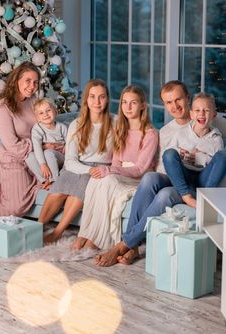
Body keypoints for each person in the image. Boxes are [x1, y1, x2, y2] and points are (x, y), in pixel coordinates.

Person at [95, 80, 226, 267]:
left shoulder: (208, 123)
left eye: (178, 99)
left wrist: (196, 158)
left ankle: (125, 244)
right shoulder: (166, 131)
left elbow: (217, 160)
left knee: (165, 195)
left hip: (193, 184)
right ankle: (133, 246)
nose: (174, 106)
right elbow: (161, 166)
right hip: (174, 178)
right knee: (149, 178)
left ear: (187, 99)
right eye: (168, 102)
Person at [71, 85, 158, 251]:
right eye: (124, 102)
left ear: (143, 105)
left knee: (108, 180)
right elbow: (116, 162)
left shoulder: (150, 134)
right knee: (96, 181)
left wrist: (110, 170)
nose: (128, 107)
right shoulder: (120, 129)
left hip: (138, 178)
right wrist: (110, 170)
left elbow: (140, 169)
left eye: (133, 103)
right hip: (122, 173)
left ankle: (99, 238)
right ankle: (85, 232)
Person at [38, 79, 115, 244]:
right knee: (58, 191)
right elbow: (70, 160)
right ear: (86, 99)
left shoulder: (115, 123)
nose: (97, 102)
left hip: (100, 168)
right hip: (76, 165)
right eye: (92, 97)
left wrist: (97, 170)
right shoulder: (77, 124)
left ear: (107, 99)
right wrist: (86, 170)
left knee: (79, 191)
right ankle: (37, 228)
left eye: (101, 97)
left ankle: (58, 232)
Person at [0, 61, 41, 217]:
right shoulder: (3, 108)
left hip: (34, 155)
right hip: (13, 158)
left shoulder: (33, 101)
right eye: (28, 81)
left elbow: (43, 127)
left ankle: (39, 182)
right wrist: (39, 146)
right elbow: (12, 145)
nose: (32, 86)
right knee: (16, 207)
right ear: (16, 81)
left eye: (35, 82)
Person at [163, 92, 224, 208]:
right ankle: (187, 197)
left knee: (223, 155)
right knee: (169, 153)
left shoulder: (217, 140)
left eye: (206, 110)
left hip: (204, 180)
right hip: (184, 177)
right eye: (197, 110)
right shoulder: (180, 134)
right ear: (191, 114)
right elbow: (167, 159)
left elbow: (218, 165)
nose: (201, 114)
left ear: (214, 115)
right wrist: (180, 153)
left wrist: (199, 157)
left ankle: (206, 200)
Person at [25, 98, 68, 189]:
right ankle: (45, 180)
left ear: (55, 111)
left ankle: (55, 180)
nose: (45, 114)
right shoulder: (37, 129)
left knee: (48, 153)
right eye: (41, 113)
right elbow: (37, 147)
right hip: (44, 157)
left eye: (48, 110)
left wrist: (65, 148)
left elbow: (71, 143)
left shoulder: (62, 127)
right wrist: (43, 164)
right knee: (29, 157)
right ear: (37, 118)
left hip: (60, 156)